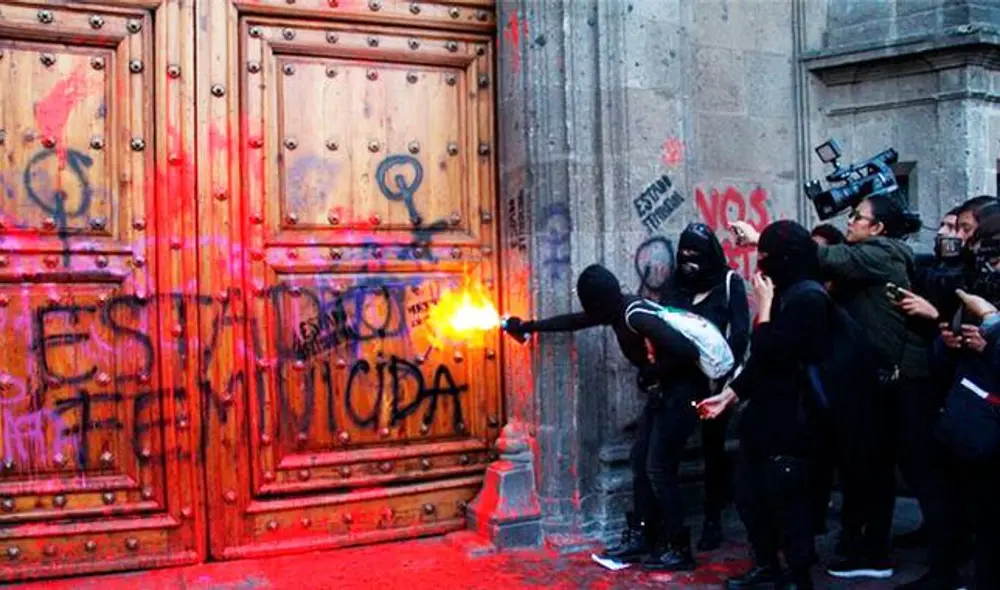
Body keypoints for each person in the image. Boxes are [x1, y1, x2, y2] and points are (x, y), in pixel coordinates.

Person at [732, 192, 955, 587]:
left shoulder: (881, 252)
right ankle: (873, 548)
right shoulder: (871, 258)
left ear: (879, 228)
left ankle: (934, 565)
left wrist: (758, 238)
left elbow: (813, 255)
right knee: (876, 467)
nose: (849, 221)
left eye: (857, 216)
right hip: (882, 381)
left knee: (915, 473)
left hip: (903, 383)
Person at [502, 264, 713, 571]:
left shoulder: (634, 315)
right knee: (641, 461)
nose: (587, 310)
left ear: (598, 301)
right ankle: (643, 535)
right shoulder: (615, 309)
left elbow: (685, 349)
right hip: (664, 396)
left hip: (682, 397)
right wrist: (528, 326)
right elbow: (574, 322)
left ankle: (679, 548)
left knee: (658, 468)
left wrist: (653, 372)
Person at [697, 221, 829, 590]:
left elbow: (775, 351)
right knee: (748, 492)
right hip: (765, 414)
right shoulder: (788, 290)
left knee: (788, 502)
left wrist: (766, 307)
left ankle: (798, 576)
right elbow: (759, 362)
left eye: (766, 258)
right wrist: (730, 394)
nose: (761, 266)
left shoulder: (808, 298)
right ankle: (767, 565)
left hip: (794, 418)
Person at [660, 222, 750, 551]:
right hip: (679, 383)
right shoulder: (675, 285)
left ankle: (713, 519)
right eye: (683, 251)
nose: (688, 259)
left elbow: (739, 335)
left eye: (695, 252)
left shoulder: (729, 283)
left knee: (714, 452)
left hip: (715, 384)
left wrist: (726, 383)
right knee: (664, 452)